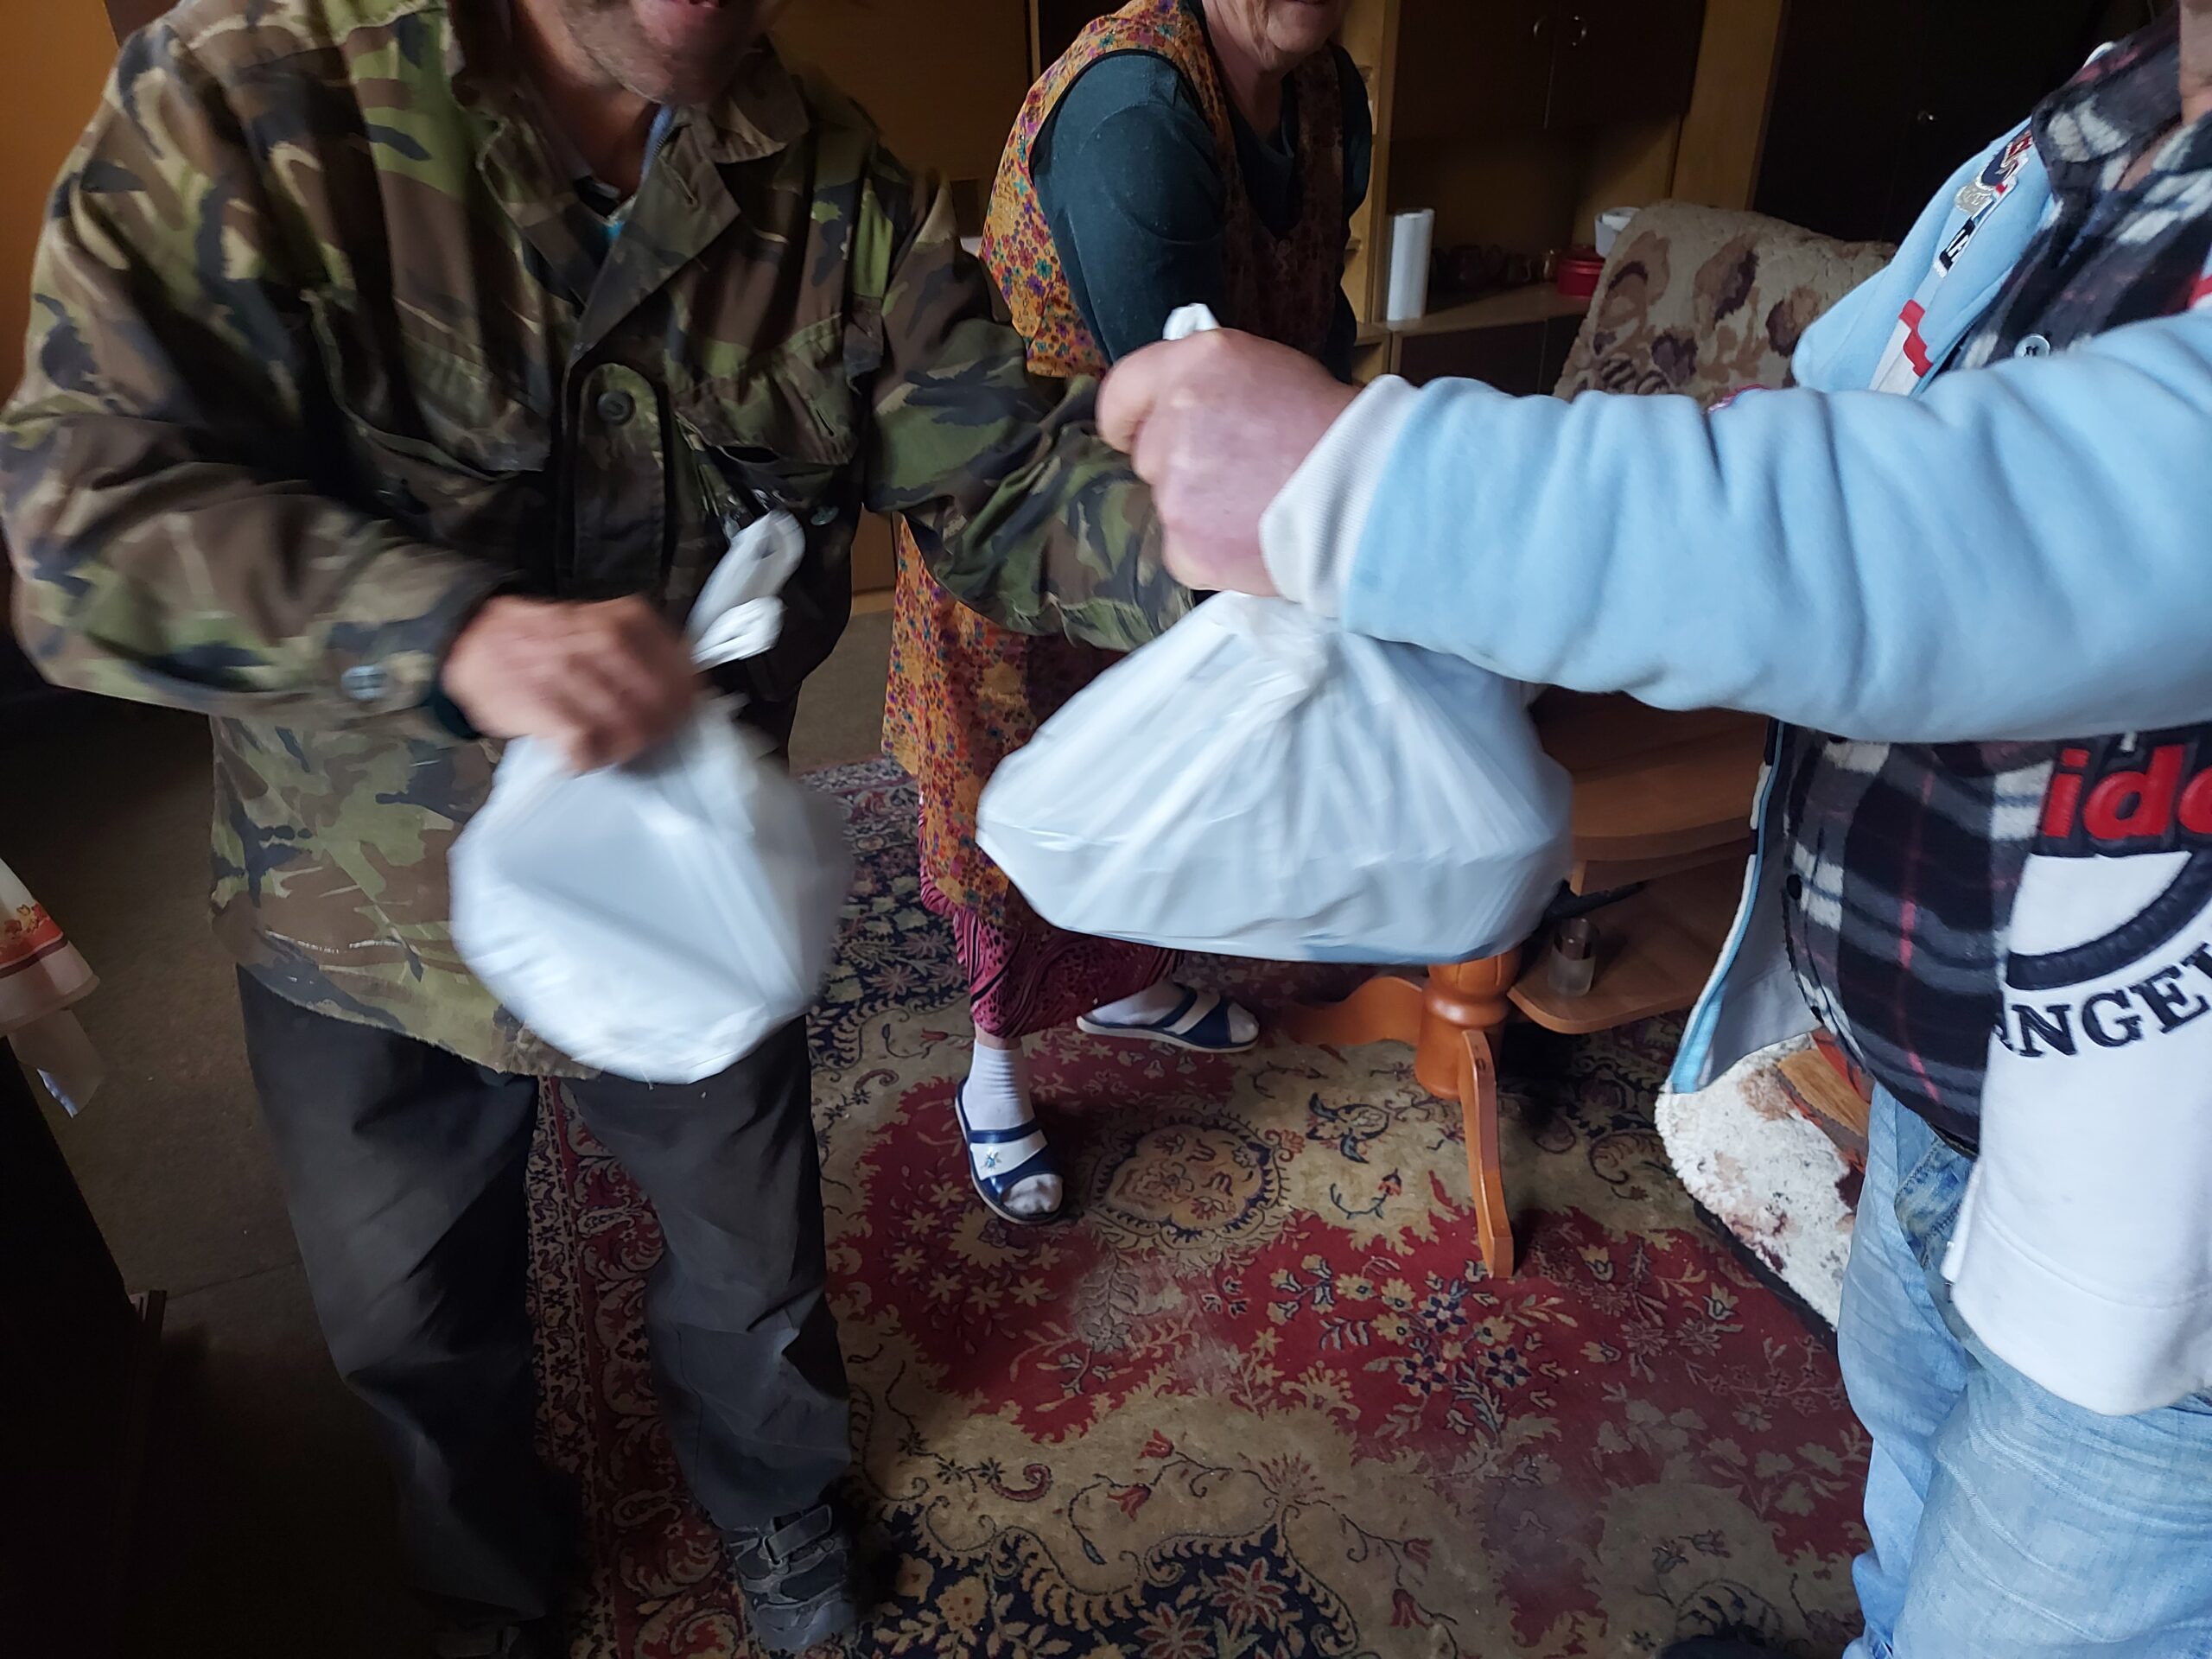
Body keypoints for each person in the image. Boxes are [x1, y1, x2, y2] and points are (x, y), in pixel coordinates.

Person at [0, 0, 1186, 1653]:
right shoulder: (255, 104)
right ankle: (482, 1568)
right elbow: (81, 528)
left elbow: (999, 486)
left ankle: (775, 1505)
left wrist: (1245, 532)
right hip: (363, 916)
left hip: (696, 894)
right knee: (406, 1317)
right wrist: (451, 634)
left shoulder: (839, 192)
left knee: (753, 1269)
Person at [1099, 7, 2212, 1655]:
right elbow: (1859, 411)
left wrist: (1366, 486)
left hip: (2175, 1231)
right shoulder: (2113, 103)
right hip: (1959, 1101)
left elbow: (1974, 523)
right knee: (1915, 1479)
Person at [882, 0, 1370, 1225]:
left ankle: (1126, 985)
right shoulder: (1135, 113)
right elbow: (1185, 393)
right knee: (1022, 809)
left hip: (1196, 524)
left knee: (1165, 786)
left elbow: (1320, 317)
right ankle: (995, 1069)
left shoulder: (1328, 96)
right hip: (1041, 531)